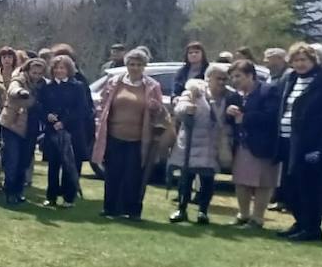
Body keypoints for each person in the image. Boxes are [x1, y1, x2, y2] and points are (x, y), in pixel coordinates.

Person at [275, 42, 322, 242]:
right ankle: (300, 223)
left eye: (304, 60)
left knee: (308, 188)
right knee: (289, 188)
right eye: (296, 60)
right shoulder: (291, 79)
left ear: (314, 61)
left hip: (309, 144)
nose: (300, 64)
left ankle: (312, 228)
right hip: (287, 141)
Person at [92, 47, 166, 221]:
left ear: (144, 66)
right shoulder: (115, 82)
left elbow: (160, 111)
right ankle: (110, 208)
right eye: (132, 64)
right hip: (114, 135)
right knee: (112, 173)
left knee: (133, 175)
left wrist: (156, 108)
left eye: (139, 64)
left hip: (139, 138)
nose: (135, 67)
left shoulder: (152, 86)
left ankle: (132, 211)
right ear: (126, 65)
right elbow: (103, 103)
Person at [167, 64, 231, 224]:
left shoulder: (229, 97)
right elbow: (179, 108)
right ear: (208, 79)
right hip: (190, 144)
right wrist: (186, 108)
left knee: (207, 180)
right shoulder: (194, 92)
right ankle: (181, 209)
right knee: (186, 178)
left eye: (224, 79)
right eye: (218, 78)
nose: (222, 82)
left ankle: (203, 211)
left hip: (211, 144)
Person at [225, 60, 280, 229]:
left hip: (263, 145)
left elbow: (272, 116)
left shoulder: (268, 91)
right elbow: (229, 120)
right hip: (242, 145)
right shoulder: (234, 95)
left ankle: (257, 219)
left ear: (250, 75)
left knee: (263, 182)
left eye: (238, 76)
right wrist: (229, 112)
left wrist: (246, 117)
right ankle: (243, 214)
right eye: (232, 77)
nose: (235, 80)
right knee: (241, 181)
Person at [39, 55, 93, 208]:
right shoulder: (47, 87)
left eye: (62, 67)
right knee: (53, 165)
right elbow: (40, 106)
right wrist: (47, 116)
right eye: (56, 67)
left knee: (71, 164)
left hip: (72, 131)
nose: (59, 70)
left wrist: (64, 122)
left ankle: (69, 198)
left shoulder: (77, 87)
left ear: (68, 69)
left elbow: (82, 109)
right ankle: (51, 197)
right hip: (52, 131)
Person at [0, 57, 45, 205]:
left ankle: (19, 192)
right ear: (27, 70)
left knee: (24, 162)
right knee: (12, 160)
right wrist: (21, 93)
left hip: (31, 127)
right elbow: (13, 89)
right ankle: (10, 192)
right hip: (12, 126)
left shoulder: (43, 85)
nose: (36, 75)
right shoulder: (19, 79)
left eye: (39, 73)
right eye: (34, 72)